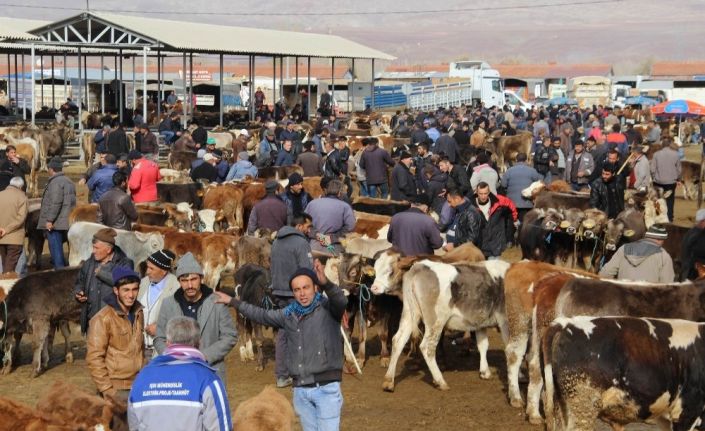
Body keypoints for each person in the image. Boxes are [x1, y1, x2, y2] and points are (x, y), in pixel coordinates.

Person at [214, 261, 346, 431]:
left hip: (326, 389)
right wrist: (233, 301)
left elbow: (341, 300)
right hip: (301, 390)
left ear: (315, 287)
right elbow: (261, 314)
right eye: (297, 290)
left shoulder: (329, 309)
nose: (302, 294)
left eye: (306, 287)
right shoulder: (289, 314)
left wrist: (326, 282)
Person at [128, 316, 232, 430]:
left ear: (167, 342)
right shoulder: (209, 380)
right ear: (198, 343)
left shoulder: (142, 378)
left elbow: (134, 426)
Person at [154, 252, 238, 381]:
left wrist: (204, 356)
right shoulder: (168, 304)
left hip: (210, 371)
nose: (190, 285)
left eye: (193, 279)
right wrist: (174, 357)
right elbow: (159, 338)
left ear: (201, 278)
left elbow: (230, 336)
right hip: (177, 373)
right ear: (179, 281)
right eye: (184, 281)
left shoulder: (217, 302)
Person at [86, 266, 143, 408]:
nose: (131, 295)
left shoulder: (138, 312)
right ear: (116, 291)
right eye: (126, 290)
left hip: (139, 384)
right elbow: (94, 358)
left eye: (134, 289)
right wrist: (107, 390)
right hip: (116, 388)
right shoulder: (102, 319)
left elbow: (139, 348)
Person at [269, 213, 314, 388]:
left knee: (283, 332)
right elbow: (306, 271)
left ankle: (282, 374)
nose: (309, 230)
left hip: (279, 292)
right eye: (308, 226)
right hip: (296, 293)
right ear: (299, 226)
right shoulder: (301, 243)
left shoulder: (277, 242)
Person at [74, 227, 134, 333]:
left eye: (96, 248)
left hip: (114, 324)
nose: (93, 251)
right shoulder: (89, 263)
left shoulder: (125, 263)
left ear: (108, 250)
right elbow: (80, 281)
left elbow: (125, 283)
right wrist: (78, 292)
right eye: (93, 247)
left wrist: (102, 274)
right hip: (91, 322)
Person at [137, 249, 179, 361]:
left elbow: (181, 319)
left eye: (151, 268)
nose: (147, 272)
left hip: (161, 350)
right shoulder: (143, 283)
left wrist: (162, 329)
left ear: (164, 271)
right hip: (139, 348)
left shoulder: (176, 288)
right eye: (147, 267)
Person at [599, 224, 674, 283]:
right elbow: (667, 285)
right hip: (648, 299)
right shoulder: (663, 256)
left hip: (623, 297)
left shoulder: (624, 248)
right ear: (661, 240)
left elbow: (604, 275)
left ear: (646, 236)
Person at [38, 156, 76, 269]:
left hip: (56, 223)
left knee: (56, 249)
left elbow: (56, 202)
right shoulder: (69, 181)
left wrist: (49, 220)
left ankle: (59, 273)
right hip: (67, 219)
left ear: (51, 169)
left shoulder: (55, 183)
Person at [305, 179, 355, 255]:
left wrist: (317, 235)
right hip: (333, 248)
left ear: (326, 191)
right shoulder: (345, 207)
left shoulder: (312, 203)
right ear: (339, 193)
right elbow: (350, 227)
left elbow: (304, 223)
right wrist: (332, 238)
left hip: (313, 246)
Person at [470, 182, 518, 259]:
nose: (483, 196)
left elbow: (512, 211)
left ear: (489, 192)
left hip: (496, 243)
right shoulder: (471, 205)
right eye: (480, 193)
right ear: (476, 192)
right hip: (479, 244)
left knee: (493, 269)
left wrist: (509, 232)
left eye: (485, 193)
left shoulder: (500, 202)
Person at [500, 153, 541, 222]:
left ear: (516, 160)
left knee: (511, 224)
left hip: (511, 203)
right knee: (524, 223)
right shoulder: (532, 171)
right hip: (527, 203)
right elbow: (539, 184)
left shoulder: (509, 171)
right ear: (526, 160)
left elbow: (503, 185)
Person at [0, 176, 27, 273]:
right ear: (20, 187)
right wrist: (6, 230)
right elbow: (20, 219)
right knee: (9, 269)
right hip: (15, 238)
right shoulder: (22, 197)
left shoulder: (0, 194)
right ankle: (5, 285)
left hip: (1, 237)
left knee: (4, 264)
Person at [650, 138, 681, 221]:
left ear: (662, 145)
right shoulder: (676, 154)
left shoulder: (656, 154)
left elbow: (652, 169)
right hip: (671, 182)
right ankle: (670, 217)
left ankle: (658, 215)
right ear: (669, 145)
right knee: (670, 200)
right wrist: (678, 179)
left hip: (658, 182)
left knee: (658, 199)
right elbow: (679, 170)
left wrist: (653, 177)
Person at [681, 209, 705, 281]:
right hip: (695, 273)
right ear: (703, 221)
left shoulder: (691, 232)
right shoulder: (699, 235)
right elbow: (699, 253)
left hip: (688, 270)